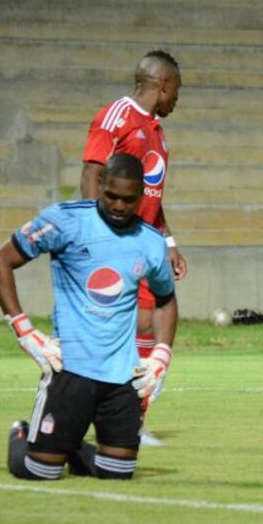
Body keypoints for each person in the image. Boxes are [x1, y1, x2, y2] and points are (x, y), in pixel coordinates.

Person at [0, 154, 178, 481]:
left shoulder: (151, 242)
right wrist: (24, 331)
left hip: (123, 376)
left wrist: (162, 354)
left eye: (128, 199)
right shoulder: (66, 221)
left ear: (141, 197)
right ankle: (21, 433)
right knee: (39, 470)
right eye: (111, 195)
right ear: (100, 184)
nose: (118, 205)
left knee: (116, 473)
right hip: (70, 368)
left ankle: (72, 446)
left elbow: (166, 299)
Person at [81, 50, 186, 446]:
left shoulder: (157, 133)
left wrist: (169, 241)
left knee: (148, 326)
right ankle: (85, 413)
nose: (177, 100)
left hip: (146, 244)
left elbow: (151, 197)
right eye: (177, 90)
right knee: (114, 331)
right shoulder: (117, 116)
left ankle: (130, 424)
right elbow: (91, 175)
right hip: (115, 242)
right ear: (163, 85)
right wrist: (96, 237)